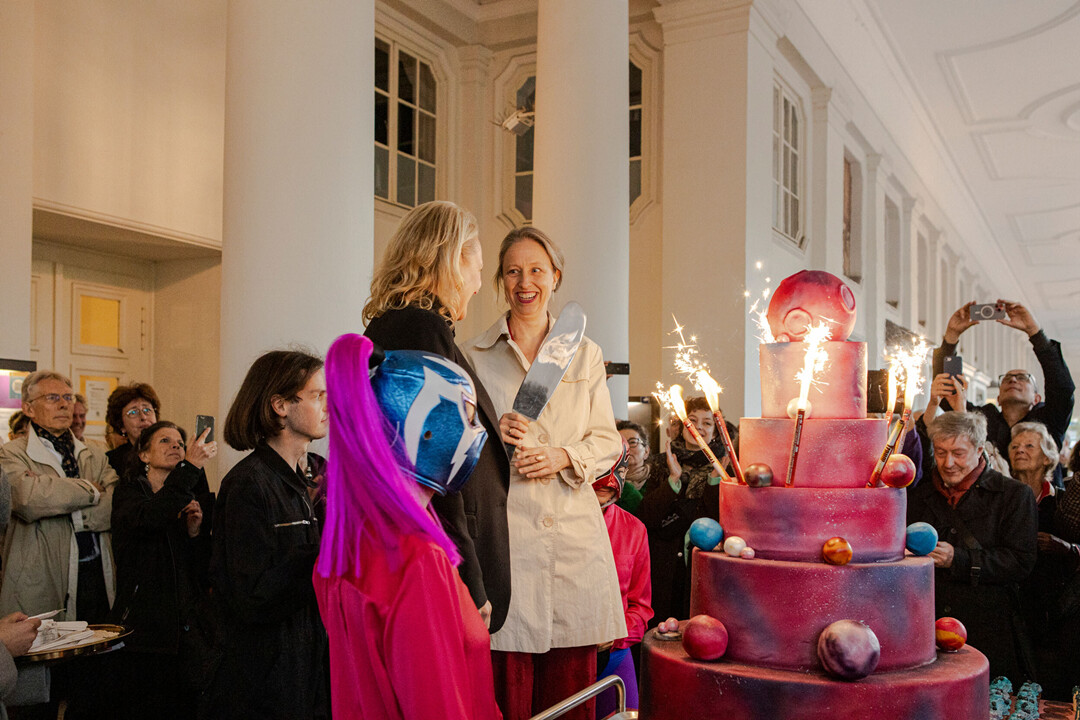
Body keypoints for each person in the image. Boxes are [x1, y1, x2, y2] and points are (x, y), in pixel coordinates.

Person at [464, 226, 624, 720]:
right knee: (506, 697)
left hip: (572, 543)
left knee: (569, 699)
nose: (524, 282)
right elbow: (459, 450)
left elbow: (608, 440)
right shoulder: (474, 355)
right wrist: (492, 431)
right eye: (513, 271)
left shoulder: (586, 352)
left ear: (555, 277)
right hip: (504, 541)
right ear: (500, 281)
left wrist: (562, 456)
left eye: (536, 270)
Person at [313, 334, 501, 719]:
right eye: (466, 415)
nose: (476, 431)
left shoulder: (349, 539)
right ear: (428, 427)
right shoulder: (415, 559)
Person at [362, 200, 510, 632]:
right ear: (449, 259)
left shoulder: (412, 326)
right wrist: (470, 578)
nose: (480, 284)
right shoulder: (418, 329)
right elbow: (430, 467)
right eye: (477, 268)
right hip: (437, 550)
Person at [205, 350, 329, 720]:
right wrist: (327, 551)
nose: (328, 405)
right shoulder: (249, 483)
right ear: (279, 405)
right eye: (316, 395)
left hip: (304, 666)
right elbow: (253, 594)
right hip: (267, 681)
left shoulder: (303, 480)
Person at [907, 411, 1038, 683]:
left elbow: (1021, 561)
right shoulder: (919, 495)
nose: (948, 463)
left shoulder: (1013, 495)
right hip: (925, 627)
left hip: (987, 628)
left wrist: (959, 559)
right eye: (940, 452)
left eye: (958, 452)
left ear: (980, 449)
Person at [110, 420, 216, 719]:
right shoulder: (129, 493)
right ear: (143, 455)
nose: (176, 447)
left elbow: (201, 569)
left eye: (180, 444)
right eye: (165, 442)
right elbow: (150, 516)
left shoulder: (187, 494)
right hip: (144, 630)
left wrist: (195, 533)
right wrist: (190, 467)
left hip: (184, 629)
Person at [0, 371, 118, 622]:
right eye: (53, 397)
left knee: (96, 652)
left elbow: (115, 504)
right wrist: (91, 489)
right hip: (40, 576)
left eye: (68, 396)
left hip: (95, 573)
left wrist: (59, 500)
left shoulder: (95, 453)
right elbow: (28, 500)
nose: (65, 404)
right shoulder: (11, 454)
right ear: (28, 408)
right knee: (46, 651)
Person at [931, 300, 1075, 485]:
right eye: (1006, 379)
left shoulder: (1049, 421)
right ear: (998, 398)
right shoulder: (984, 419)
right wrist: (951, 336)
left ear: (1036, 398)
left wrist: (1035, 333)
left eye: (1023, 378)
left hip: (1042, 509)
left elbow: (1062, 388)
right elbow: (948, 394)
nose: (1013, 380)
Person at [1007, 422, 1080, 700]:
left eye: (1029, 446)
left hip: (1058, 614)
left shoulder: (1065, 501)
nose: (1020, 451)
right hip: (1016, 609)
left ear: (1048, 456)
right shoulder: (1003, 501)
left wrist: (1069, 548)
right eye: (1015, 446)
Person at [637, 396, 725, 623]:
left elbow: (718, 521)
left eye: (707, 423)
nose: (699, 427)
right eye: (692, 420)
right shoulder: (659, 462)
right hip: (661, 560)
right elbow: (645, 517)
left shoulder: (723, 465)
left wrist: (715, 481)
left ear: (715, 430)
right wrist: (673, 480)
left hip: (697, 561)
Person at [592, 443, 652, 718]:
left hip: (616, 653)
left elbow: (641, 606)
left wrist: (616, 634)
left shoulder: (634, 530)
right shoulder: (554, 527)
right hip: (563, 654)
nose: (606, 480)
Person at [104, 383, 161, 476]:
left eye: (147, 410)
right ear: (121, 425)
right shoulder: (112, 461)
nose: (143, 417)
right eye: (133, 412)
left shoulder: (173, 450)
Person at [615, 420, 649, 513]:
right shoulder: (608, 484)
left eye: (633, 442)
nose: (626, 447)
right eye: (621, 442)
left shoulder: (658, 480)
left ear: (646, 451)